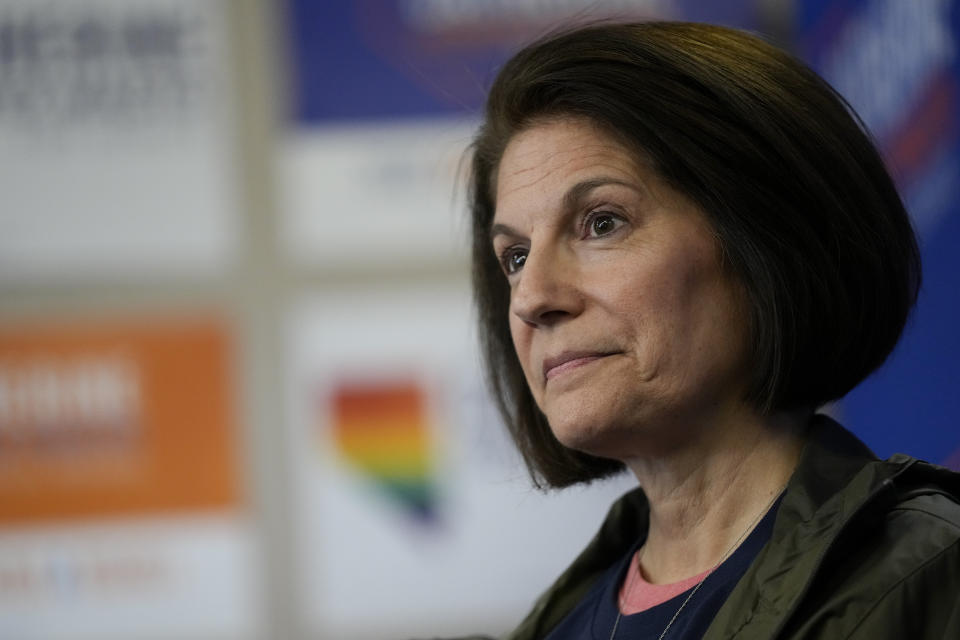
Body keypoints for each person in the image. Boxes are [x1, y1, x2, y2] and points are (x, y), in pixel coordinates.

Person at [460, 21, 960, 640]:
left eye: (602, 222)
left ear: (766, 243)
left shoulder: (929, 579)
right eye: (514, 257)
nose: (533, 298)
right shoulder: (556, 624)